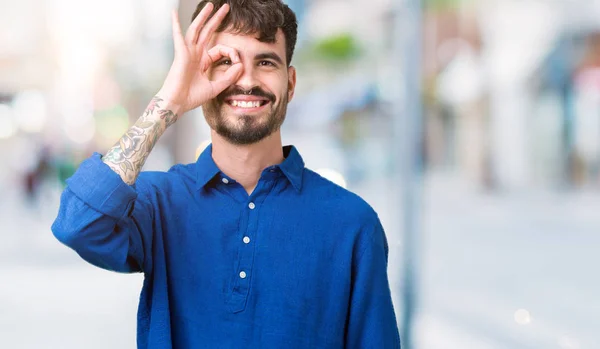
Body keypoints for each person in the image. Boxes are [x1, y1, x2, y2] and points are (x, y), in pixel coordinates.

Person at [51, 0, 401, 348]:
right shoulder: (157, 204)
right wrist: (169, 103)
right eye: (225, 62)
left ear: (290, 83)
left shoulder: (353, 223)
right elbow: (77, 223)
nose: (246, 80)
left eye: (265, 62)